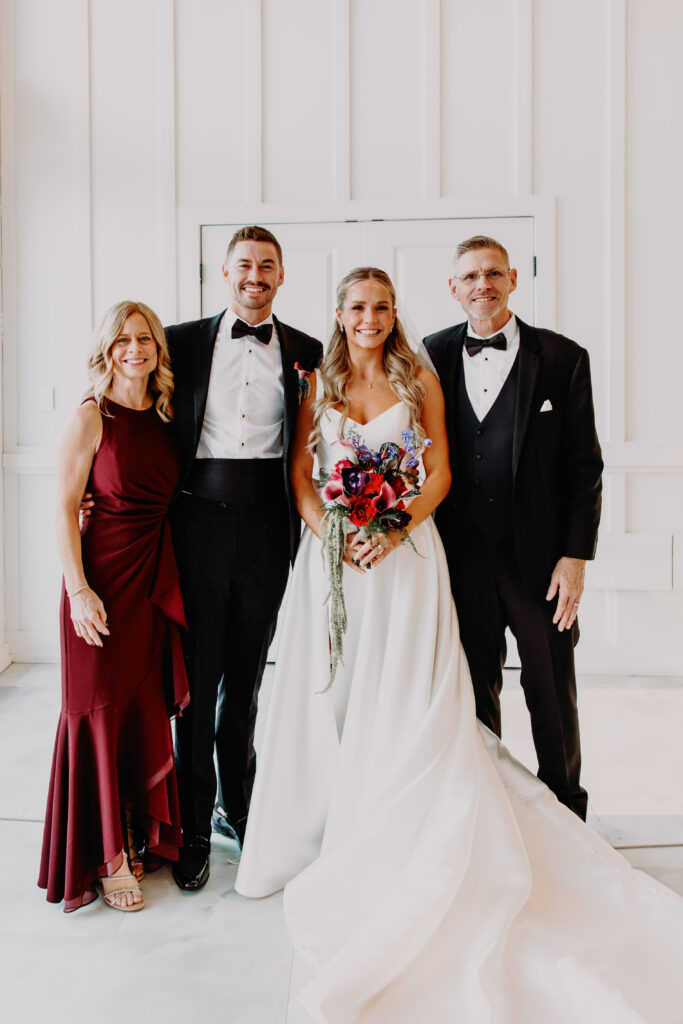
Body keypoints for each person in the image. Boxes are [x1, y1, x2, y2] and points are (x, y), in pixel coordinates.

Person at [235, 267, 683, 1023]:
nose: (370, 317)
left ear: (395, 311)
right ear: (339, 314)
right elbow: (303, 480)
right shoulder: (317, 383)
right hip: (334, 562)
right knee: (331, 691)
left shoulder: (420, 377)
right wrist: (334, 532)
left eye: (381, 306)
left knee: (413, 691)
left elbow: (438, 471)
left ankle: (455, 814)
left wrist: (392, 528)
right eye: (357, 307)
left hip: (405, 558)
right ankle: (325, 825)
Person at [425, 235, 603, 820]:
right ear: (454, 288)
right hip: (459, 556)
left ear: (513, 280)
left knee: (550, 689)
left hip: (540, 561)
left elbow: (584, 468)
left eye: (494, 273)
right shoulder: (430, 354)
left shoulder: (562, 357)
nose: (483, 285)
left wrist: (575, 558)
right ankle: (488, 815)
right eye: (471, 276)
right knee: (473, 689)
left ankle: (568, 811)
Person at [166, 225, 322, 891]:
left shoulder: (309, 351)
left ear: (281, 275)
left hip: (267, 527)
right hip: (195, 523)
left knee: (247, 678)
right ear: (224, 272)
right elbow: (128, 403)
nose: (254, 275)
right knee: (198, 683)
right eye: (244, 265)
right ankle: (192, 826)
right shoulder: (177, 342)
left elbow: (323, 437)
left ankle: (240, 804)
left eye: (267, 265)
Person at [38, 301, 189, 913]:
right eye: (122, 340)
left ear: (158, 348)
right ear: (107, 349)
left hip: (150, 583)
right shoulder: (90, 415)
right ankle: (106, 859)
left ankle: (131, 831)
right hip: (99, 581)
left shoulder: (166, 413)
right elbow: (61, 508)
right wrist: (78, 590)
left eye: (144, 338)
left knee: (137, 711)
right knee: (96, 711)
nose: (134, 349)